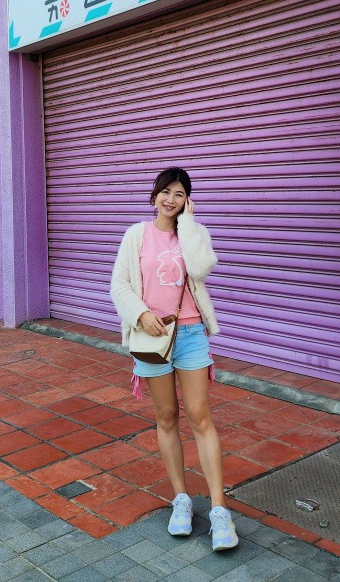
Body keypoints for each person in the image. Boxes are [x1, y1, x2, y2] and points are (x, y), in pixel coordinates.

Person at [110, 167, 239, 551]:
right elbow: (120, 284)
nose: (170, 199)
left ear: (187, 200)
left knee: (200, 415)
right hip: (152, 337)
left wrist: (191, 224)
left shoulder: (193, 234)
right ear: (153, 196)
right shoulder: (136, 235)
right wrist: (141, 314)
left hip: (191, 335)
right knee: (166, 416)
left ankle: (218, 509)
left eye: (179, 194)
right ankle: (181, 498)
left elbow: (202, 268)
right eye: (165, 192)